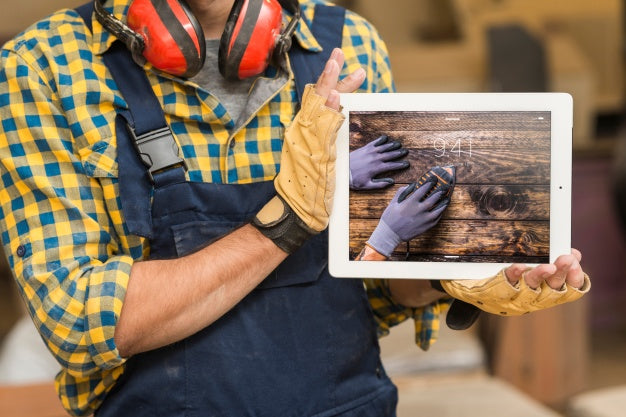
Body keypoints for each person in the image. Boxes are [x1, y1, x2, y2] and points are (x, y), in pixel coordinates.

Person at [0, 1, 589, 416]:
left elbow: (381, 289)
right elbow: (79, 322)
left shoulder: (348, 44)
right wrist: (289, 218)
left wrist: (457, 271)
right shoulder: (45, 67)